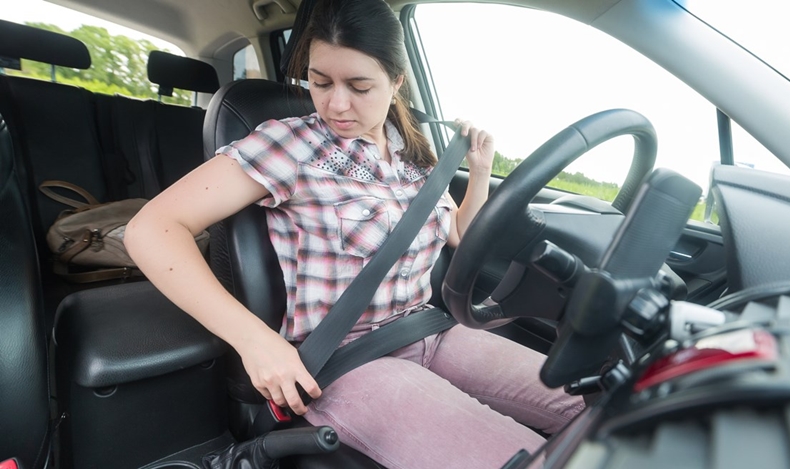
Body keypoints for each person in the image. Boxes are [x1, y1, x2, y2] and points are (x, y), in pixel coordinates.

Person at [124, 0, 584, 467]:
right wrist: (255, 340)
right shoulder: (291, 143)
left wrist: (479, 171)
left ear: (396, 82)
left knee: (598, 400)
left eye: (359, 86)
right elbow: (152, 228)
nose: (336, 104)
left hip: (433, 330)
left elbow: (461, 237)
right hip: (349, 360)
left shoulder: (413, 158)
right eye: (319, 82)